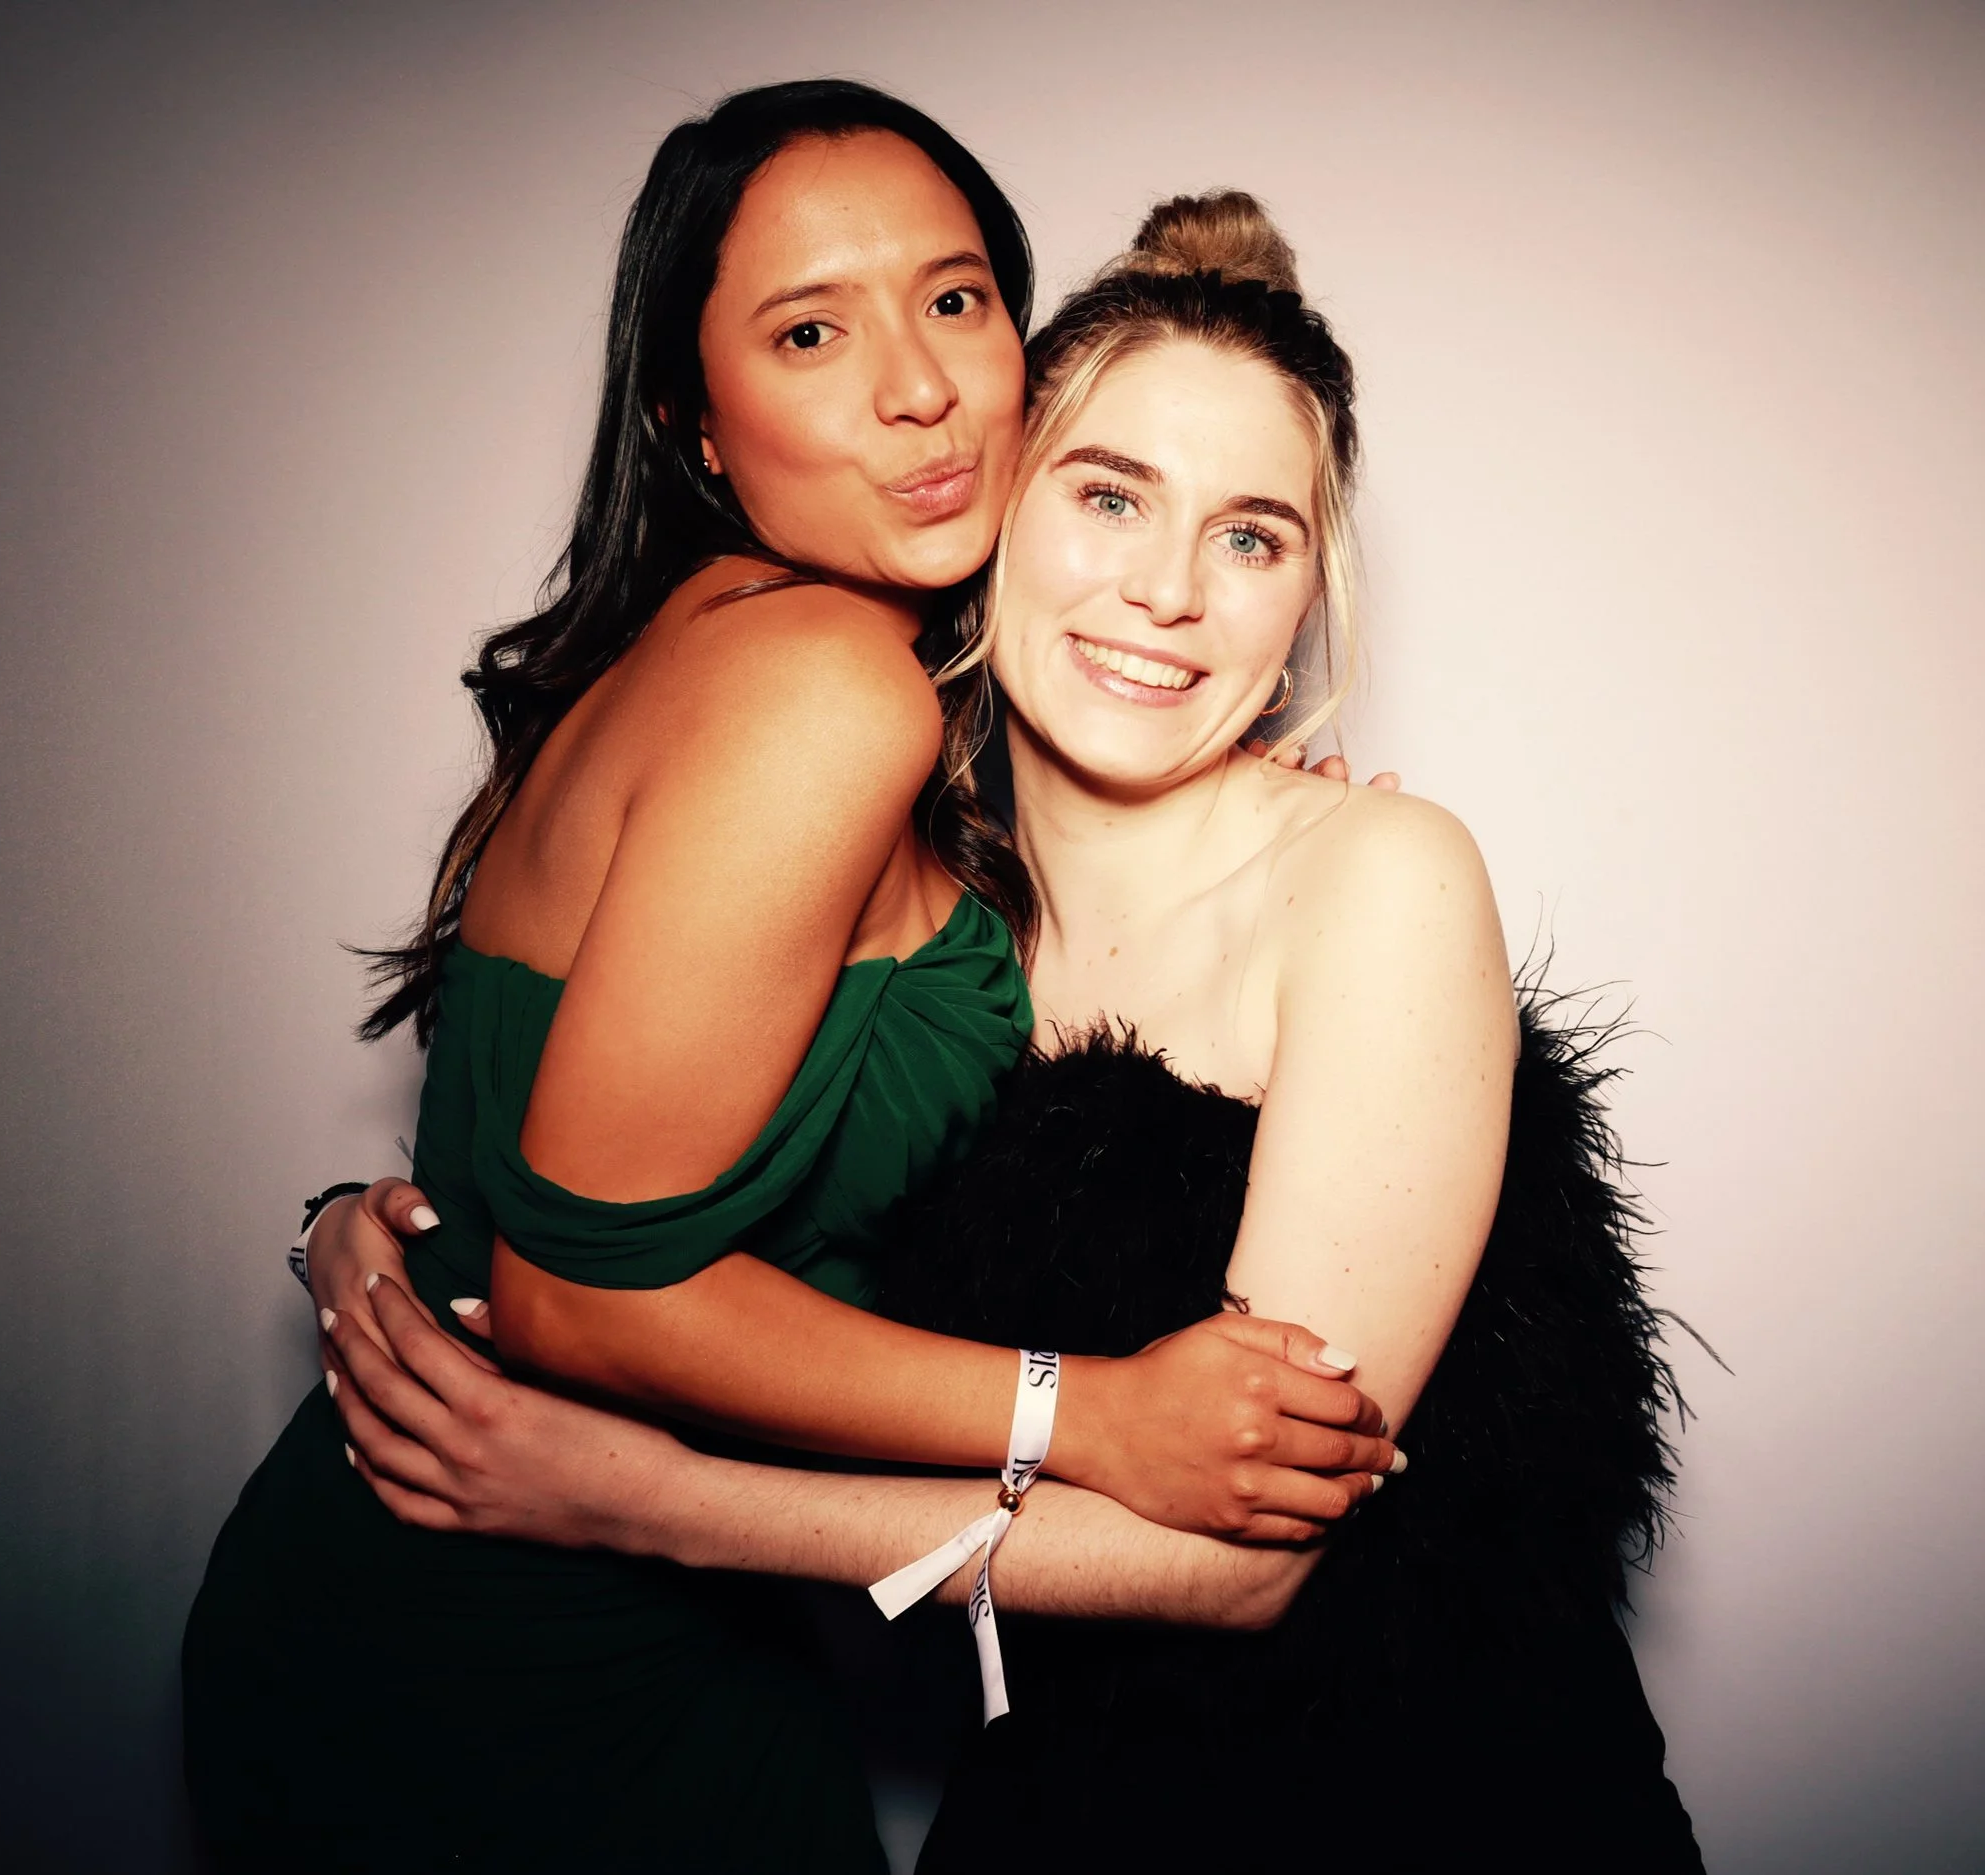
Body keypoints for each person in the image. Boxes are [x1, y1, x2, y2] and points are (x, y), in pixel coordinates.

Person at [320, 192, 1706, 1872]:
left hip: (1429, 1807)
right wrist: (379, 1235)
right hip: (1057, 1798)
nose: (1168, 592)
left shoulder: (1380, 876)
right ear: (998, 502)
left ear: (1306, 596)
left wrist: (640, 1501)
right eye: (1110, 495)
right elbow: (645, 1209)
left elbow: (1241, 1561)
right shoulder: (913, 915)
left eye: (1251, 538)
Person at [181, 87, 1397, 1875]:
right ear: (694, 420)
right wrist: (1091, 1412)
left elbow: (556, 1125)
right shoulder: (827, 687)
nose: (916, 389)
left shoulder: (738, 652)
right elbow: (579, 1298)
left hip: (590, 1611)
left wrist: (1237, 845)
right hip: (506, 1661)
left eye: (955, 300)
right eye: (810, 333)